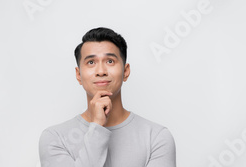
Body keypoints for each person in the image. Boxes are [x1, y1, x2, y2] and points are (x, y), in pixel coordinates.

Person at [38, 27, 176, 167]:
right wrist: (97, 126)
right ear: (78, 75)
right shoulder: (54, 138)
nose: (101, 71)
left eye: (110, 61)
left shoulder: (157, 137)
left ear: (126, 71)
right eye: (91, 62)